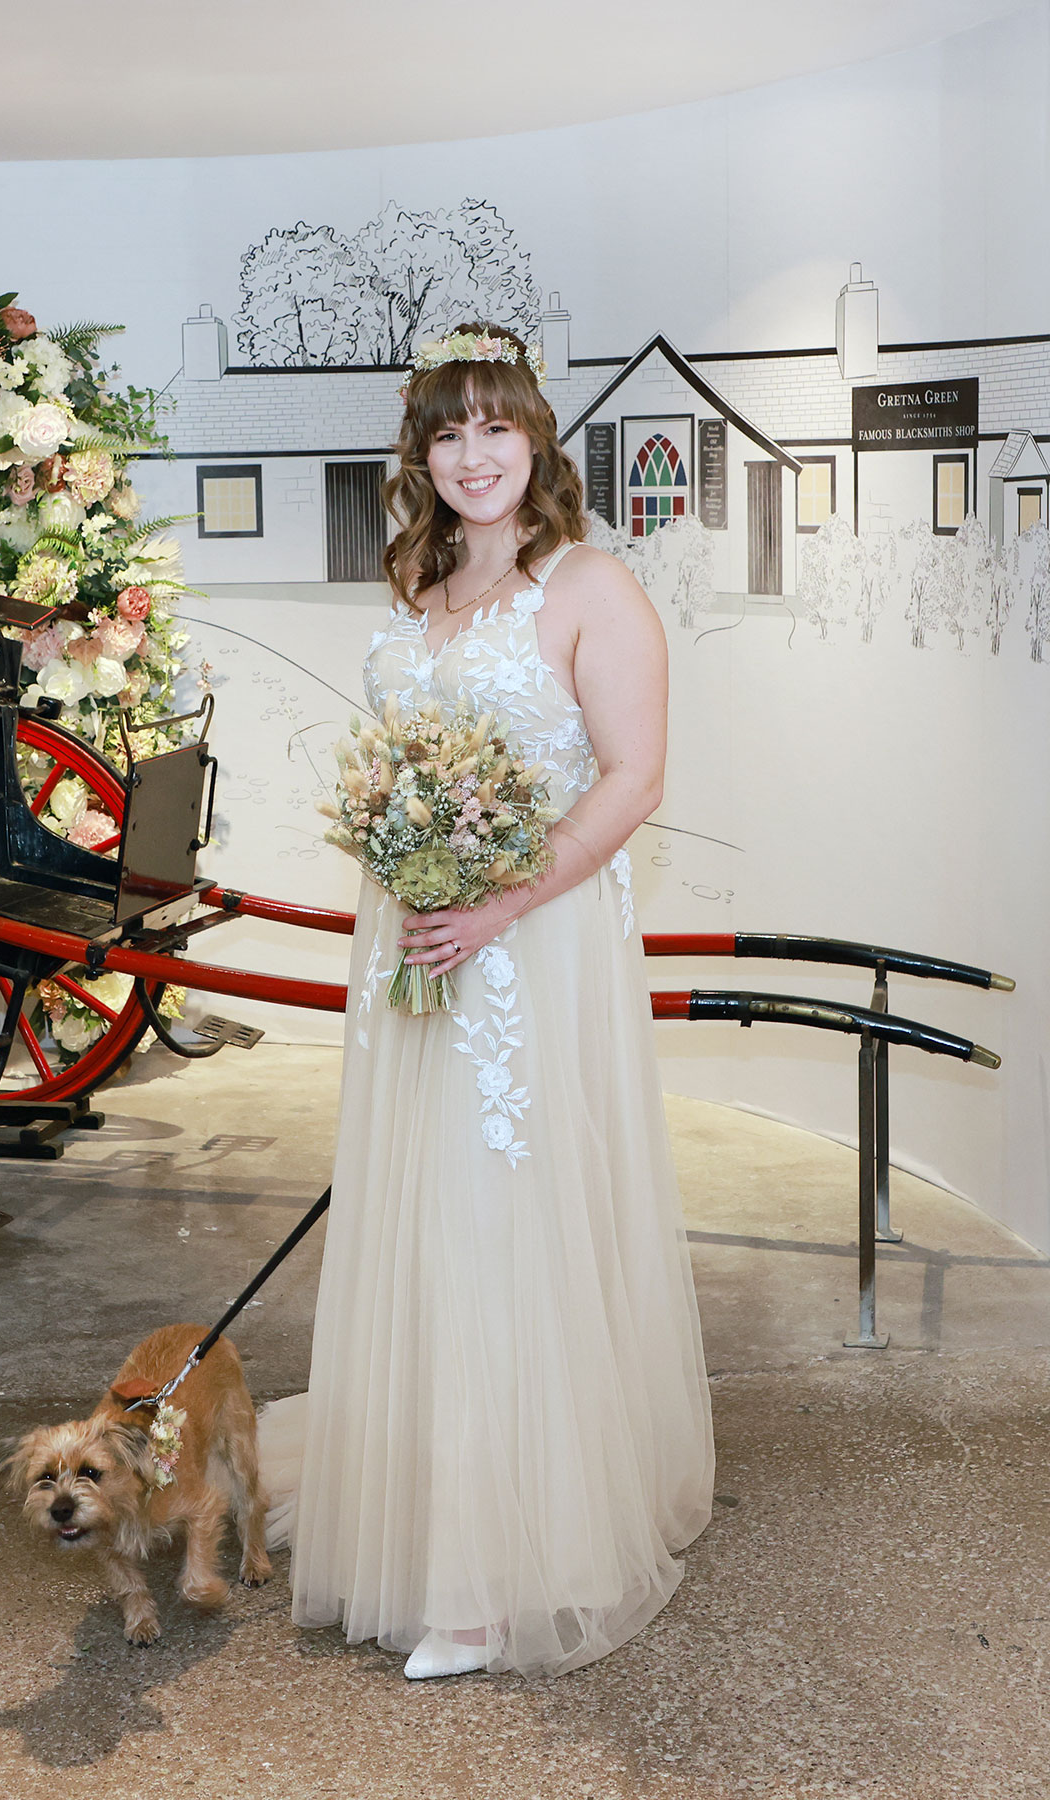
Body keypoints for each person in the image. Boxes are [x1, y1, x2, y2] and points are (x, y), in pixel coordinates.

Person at [258, 322, 714, 1680]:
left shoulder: (590, 586)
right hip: (418, 942)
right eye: (448, 433)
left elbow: (631, 779)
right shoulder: (414, 586)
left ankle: (499, 1565)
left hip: (535, 948)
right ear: (422, 453)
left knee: (507, 1213)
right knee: (427, 1214)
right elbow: (406, 764)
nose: (473, 456)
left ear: (536, 440)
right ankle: (428, 1510)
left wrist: (504, 904)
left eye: (496, 428)